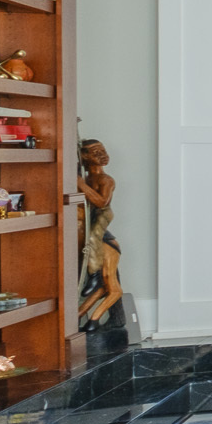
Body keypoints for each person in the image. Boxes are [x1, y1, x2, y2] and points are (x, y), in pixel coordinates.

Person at [79, 138, 123, 330]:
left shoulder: (106, 180)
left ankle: (94, 273)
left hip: (103, 213)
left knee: (92, 236)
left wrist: (80, 184)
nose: (100, 154)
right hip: (92, 215)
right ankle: (81, 316)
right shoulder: (88, 178)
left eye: (101, 150)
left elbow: (101, 202)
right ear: (85, 157)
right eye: (94, 152)